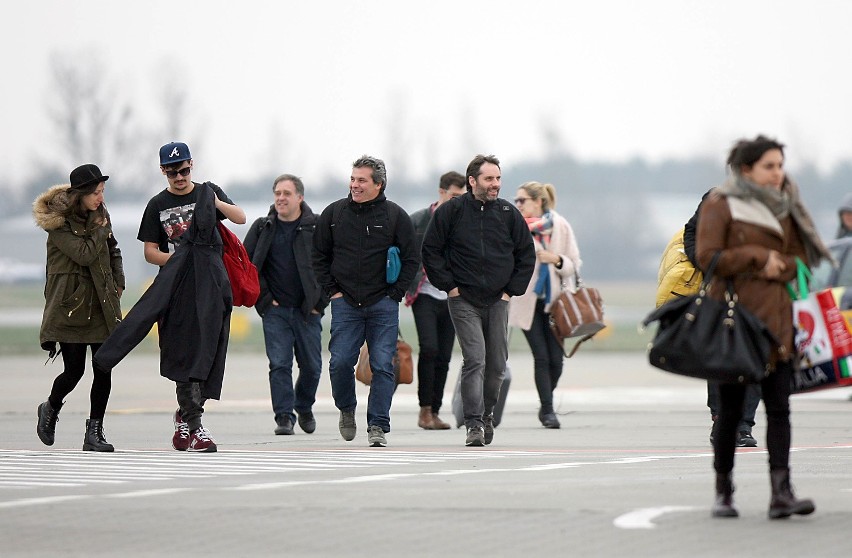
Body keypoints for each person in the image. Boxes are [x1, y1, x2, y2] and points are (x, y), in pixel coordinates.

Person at [696, 135, 831, 519]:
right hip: (736, 320)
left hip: (778, 321)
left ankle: (781, 491)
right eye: (769, 166)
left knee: (780, 409)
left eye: (780, 165)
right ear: (746, 169)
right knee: (730, 410)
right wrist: (760, 258)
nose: (777, 174)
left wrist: (781, 265)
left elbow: (799, 259)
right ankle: (724, 490)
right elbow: (707, 256)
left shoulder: (787, 207)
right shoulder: (721, 204)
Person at [103, 141, 245, 453]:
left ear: (191, 165)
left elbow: (240, 218)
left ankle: (184, 416)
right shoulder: (157, 204)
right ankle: (196, 427)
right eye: (172, 172)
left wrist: (215, 202)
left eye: (183, 170)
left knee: (209, 355)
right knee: (184, 354)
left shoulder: (208, 192)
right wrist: (181, 261)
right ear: (163, 171)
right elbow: (151, 252)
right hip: (177, 288)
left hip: (211, 285)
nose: (179, 177)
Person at [421, 154, 535, 446]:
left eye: (497, 178)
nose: (495, 184)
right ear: (472, 181)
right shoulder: (451, 212)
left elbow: (526, 255)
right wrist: (450, 286)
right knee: (475, 359)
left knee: (496, 365)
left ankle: (486, 416)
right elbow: (431, 250)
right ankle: (473, 423)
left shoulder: (509, 214)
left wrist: (511, 290)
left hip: (499, 300)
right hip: (463, 300)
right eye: (488, 179)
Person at [313, 155, 418, 447]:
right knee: (340, 362)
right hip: (345, 303)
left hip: (383, 303)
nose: (355, 185)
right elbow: (318, 258)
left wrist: (395, 294)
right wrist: (332, 291)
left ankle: (377, 425)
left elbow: (411, 259)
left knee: (383, 365)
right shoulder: (333, 214)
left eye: (362, 180)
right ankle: (347, 409)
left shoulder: (396, 216)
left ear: (378, 184)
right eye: (353, 179)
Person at [33, 164, 124, 452]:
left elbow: (113, 250)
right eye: (95, 192)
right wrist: (100, 231)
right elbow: (84, 255)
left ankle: (94, 432)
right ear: (81, 194)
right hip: (71, 306)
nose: (100, 197)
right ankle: (51, 406)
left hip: (101, 302)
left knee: (104, 368)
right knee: (74, 371)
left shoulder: (101, 218)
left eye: (102, 191)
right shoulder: (57, 224)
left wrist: (118, 281)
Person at [244, 174, 328, 436]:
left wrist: (319, 303)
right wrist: (265, 301)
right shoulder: (263, 227)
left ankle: (303, 406)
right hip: (275, 311)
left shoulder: (316, 228)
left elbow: (332, 266)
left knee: (312, 367)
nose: (281, 198)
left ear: (300, 198)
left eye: (286, 193)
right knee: (279, 364)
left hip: (308, 312)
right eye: (277, 193)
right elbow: (246, 266)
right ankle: (284, 417)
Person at [685, 192, 762, 448]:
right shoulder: (716, 198)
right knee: (719, 359)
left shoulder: (773, 202)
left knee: (753, 360)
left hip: (759, 295)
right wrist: (707, 263)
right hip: (719, 293)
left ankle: (744, 426)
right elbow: (691, 233)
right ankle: (720, 419)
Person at [508, 181, 580, 429]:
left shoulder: (560, 226)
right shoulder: (515, 228)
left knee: (556, 360)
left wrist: (556, 260)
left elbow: (574, 263)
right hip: (526, 300)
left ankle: (546, 401)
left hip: (556, 303)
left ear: (538, 201)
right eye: (516, 200)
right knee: (541, 356)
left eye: (522, 200)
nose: (517, 205)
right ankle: (548, 410)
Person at [405, 170, 467, 430]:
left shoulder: (465, 221)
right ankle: (424, 410)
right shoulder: (418, 220)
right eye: (454, 196)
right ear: (441, 192)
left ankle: (435, 411)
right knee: (429, 349)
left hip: (453, 296)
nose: (457, 201)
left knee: (444, 356)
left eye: (462, 197)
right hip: (424, 293)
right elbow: (405, 254)